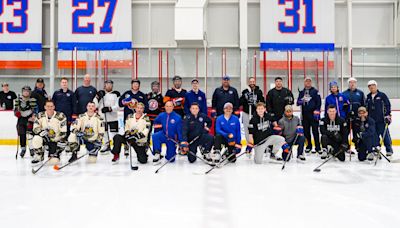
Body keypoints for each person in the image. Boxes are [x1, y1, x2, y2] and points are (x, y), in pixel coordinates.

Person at [31, 100, 67, 165]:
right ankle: (39, 155)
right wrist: (41, 132)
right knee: (36, 138)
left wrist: (60, 143)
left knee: (53, 162)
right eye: (48, 106)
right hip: (44, 138)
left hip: (55, 140)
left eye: (51, 106)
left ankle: (53, 154)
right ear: (45, 107)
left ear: (54, 107)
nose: (49, 108)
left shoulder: (61, 116)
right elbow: (35, 128)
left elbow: (63, 132)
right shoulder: (40, 115)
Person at [365, 80, 393, 157]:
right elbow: (366, 108)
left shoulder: (382, 95)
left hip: (381, 120)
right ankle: (376, 149)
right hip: (372, 121)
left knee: (385, 136)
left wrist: (388, 115)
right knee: (375, 136)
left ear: (376, 86)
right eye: (370, 86)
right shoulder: (368, 97)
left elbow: (387, 105)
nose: (371, 87)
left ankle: (389, 150)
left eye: (373, 85)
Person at [93, 80, 120, 153]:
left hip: (113, 117)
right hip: (103, 117)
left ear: (112, 85)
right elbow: (94, 104)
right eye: (107, 84)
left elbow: (118, 106)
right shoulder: (100, 93)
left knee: (114, 133)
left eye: (110, 84)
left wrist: (110, 109)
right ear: (105, 85)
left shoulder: (116, 94)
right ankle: (106, 145)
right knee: (104, 132)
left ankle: (115, 146)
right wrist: (98, 98)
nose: (108, 86)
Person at [297, 77, 322, 154]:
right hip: (305, 115)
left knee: (315, 132)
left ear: (311, 82)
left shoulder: (315, 91)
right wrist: (301, 101)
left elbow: (319, 102)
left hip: (314, 115)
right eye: (306, 81)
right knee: (306, 132)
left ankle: (318, 147)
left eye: (309, 81)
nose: (308, 83)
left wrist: (317, 110)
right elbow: (298, 103)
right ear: (304, 83)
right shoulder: (301, 92)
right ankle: (309, 146)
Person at [14, 86, 38, 158]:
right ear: (22, 92)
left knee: (30, 135)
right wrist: (16, 113)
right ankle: (23, 149)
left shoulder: (33, 100)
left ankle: (31, 149)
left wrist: (34, 116)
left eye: (27, 91)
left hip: (29, 119)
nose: (26, 92)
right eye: (24, 91)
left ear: (29, 92)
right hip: (21, 120)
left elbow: (36, 110)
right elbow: (15, 110)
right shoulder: (18, 100)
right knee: (22, 134)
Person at [239, 77, 265, 143]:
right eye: (251, 82)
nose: (252, 83)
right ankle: (249, 144)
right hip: (246, 113)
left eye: (253, 82)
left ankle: (257, 142)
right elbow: (240, 102)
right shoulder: (245, 91)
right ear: (248, 83)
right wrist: (245, 97)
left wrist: (255, 103)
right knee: (247, 129)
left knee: (256, 128)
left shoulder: (258, 91)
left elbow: (262, 102)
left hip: (255, 114)